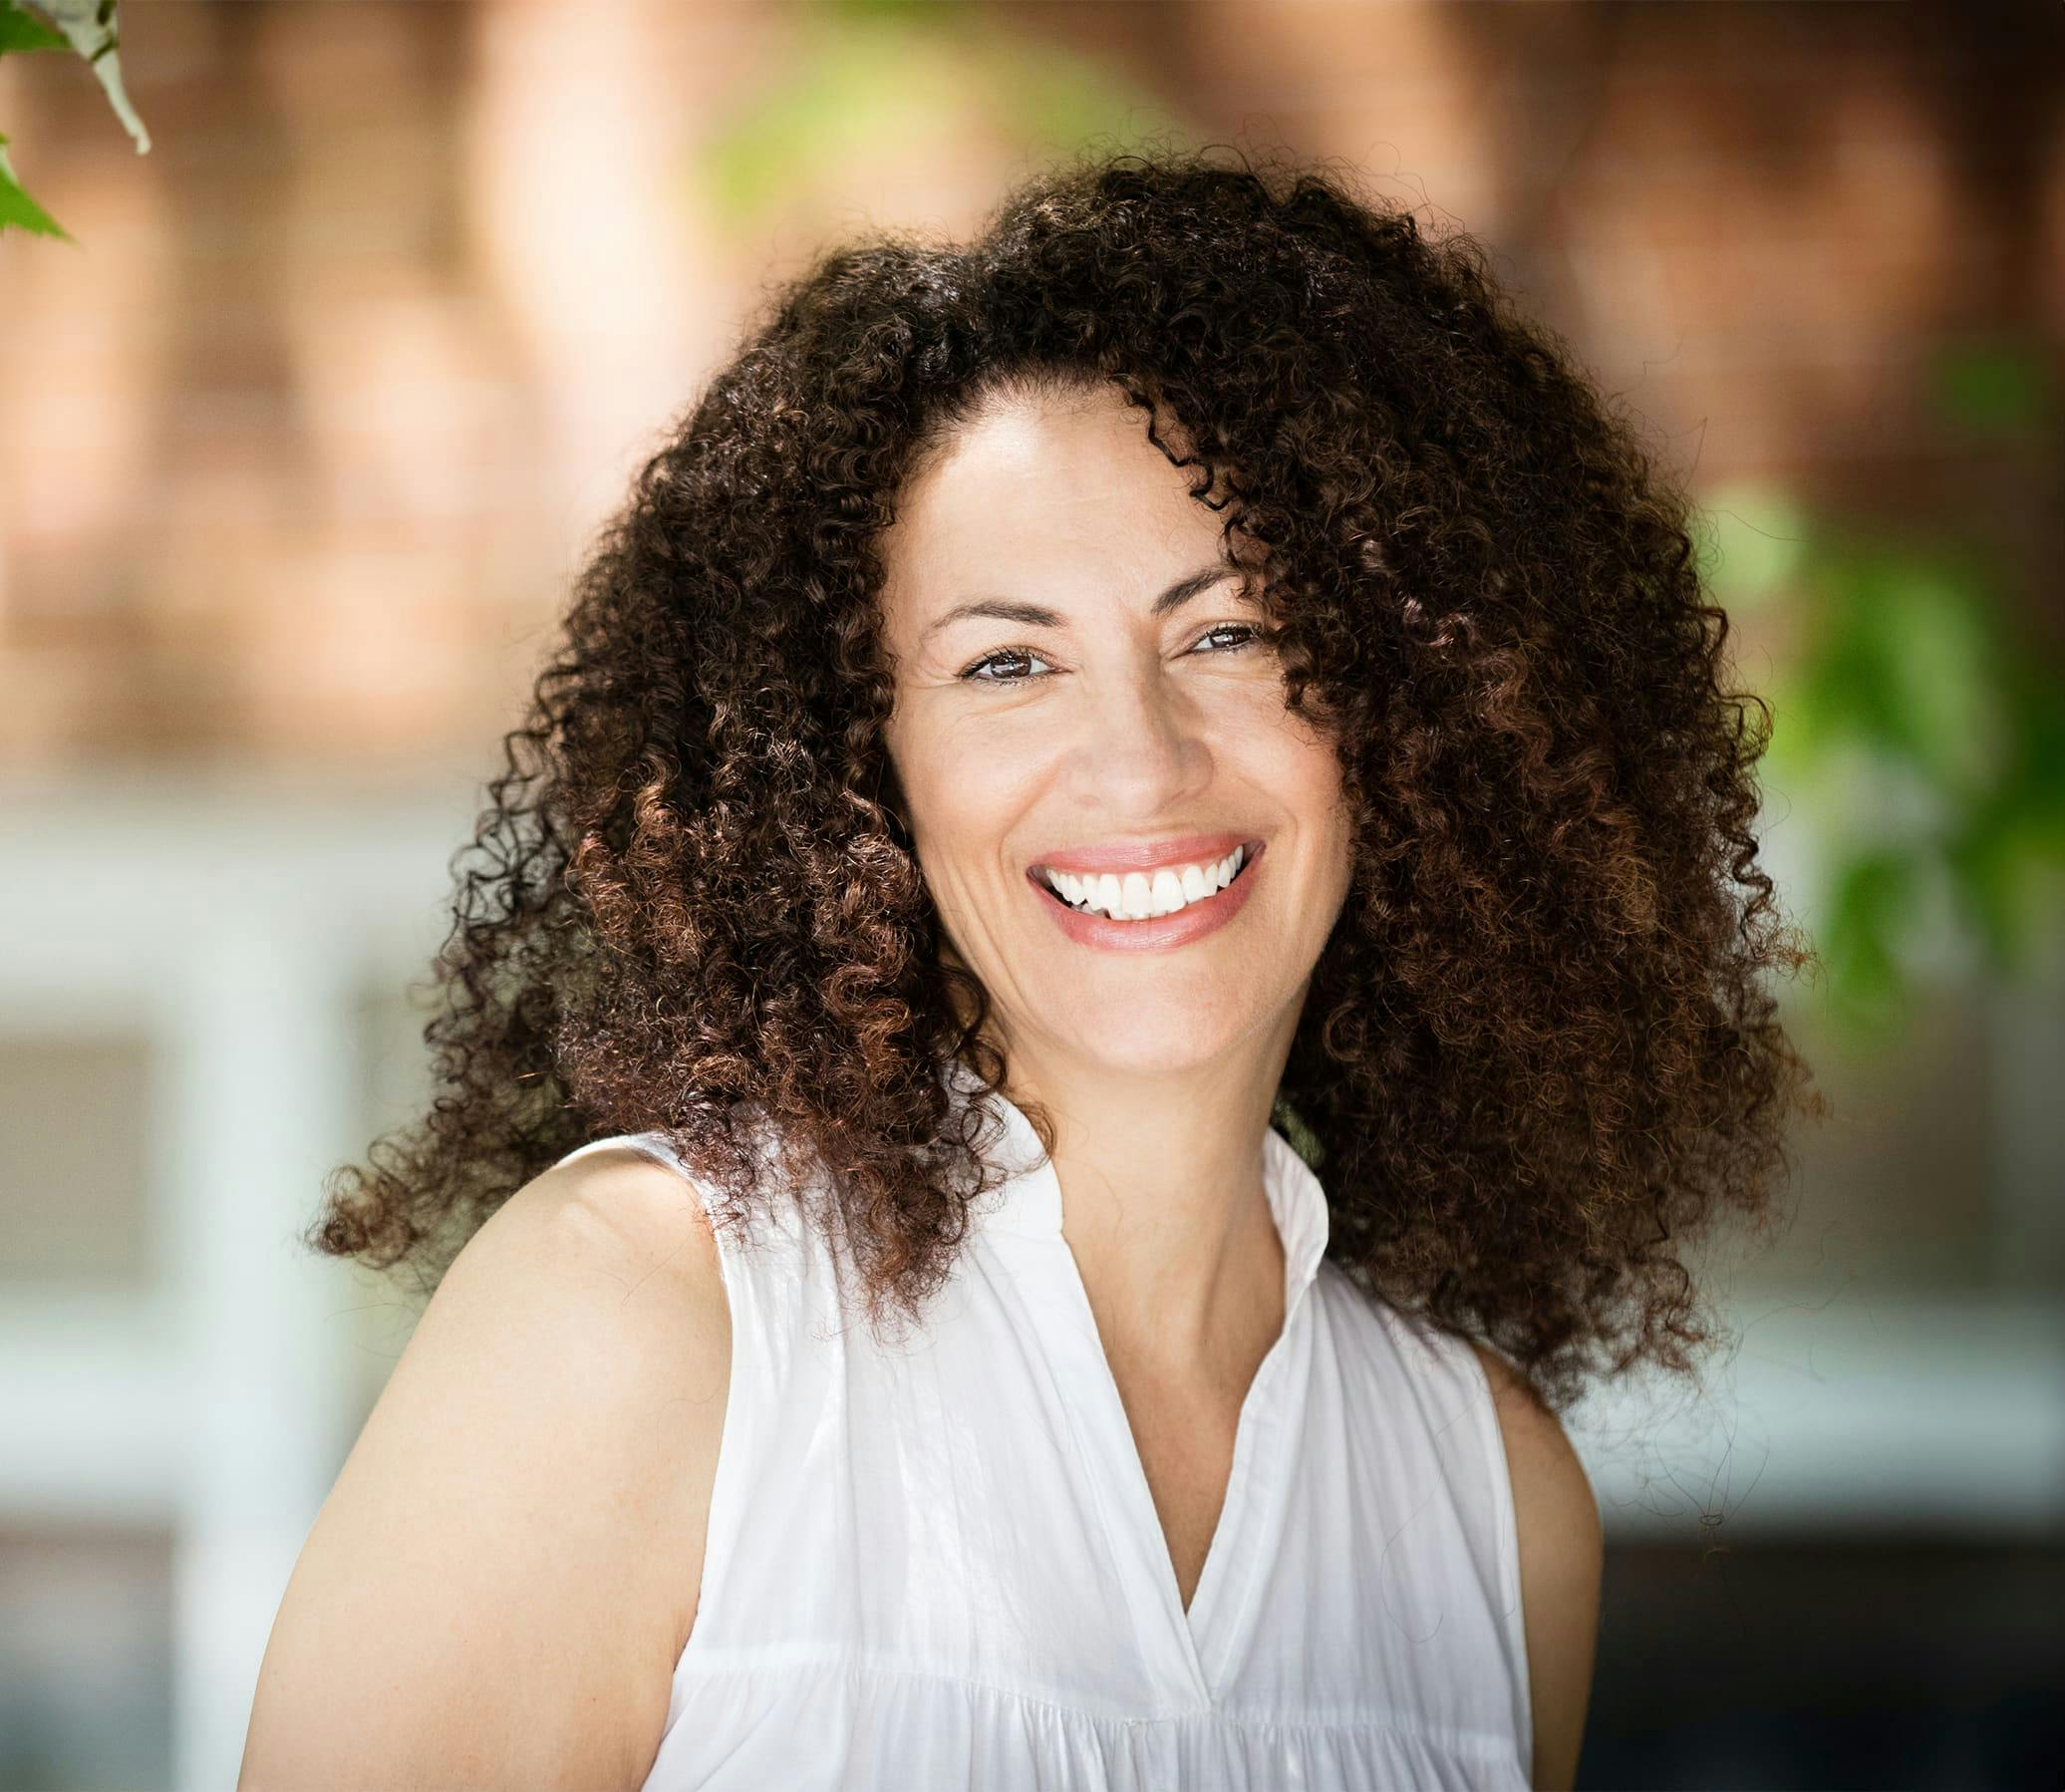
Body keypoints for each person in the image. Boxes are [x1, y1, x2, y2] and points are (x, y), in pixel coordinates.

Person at [239, 144, 1821, 1791]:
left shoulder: (1497, 1513)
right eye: (1007, 662)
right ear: (864, 772)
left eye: (1231, 630)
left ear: (1411, 703)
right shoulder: (645, 1317)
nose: (1139, 762)